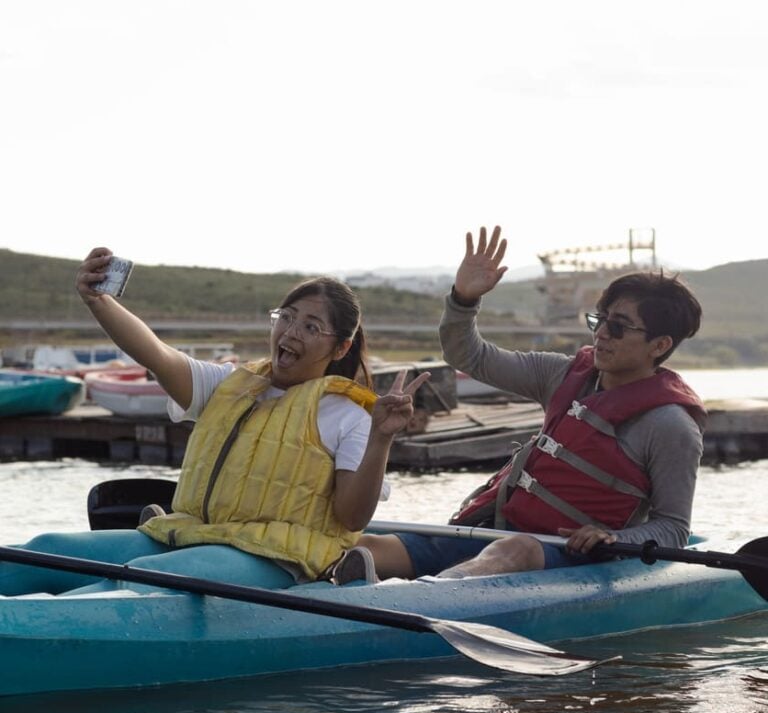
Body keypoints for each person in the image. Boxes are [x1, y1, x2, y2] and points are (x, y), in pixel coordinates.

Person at [0, 248, 428, 596]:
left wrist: (381, 439)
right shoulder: (227, 384)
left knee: (141, 579)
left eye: (311, 326)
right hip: (193, 534)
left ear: (341, 348)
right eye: (287, 317)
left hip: (276, 557)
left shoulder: (350, 415)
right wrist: (98, 300)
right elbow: (155, 353)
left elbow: (352, 518)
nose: (291, 331)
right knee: (47, 549)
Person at [333, 224, 706, 583]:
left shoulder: (671, 426)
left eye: (619, 327)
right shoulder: (561, 374)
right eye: (600, 320)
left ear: (659, 345)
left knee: (516, 550)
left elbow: (674, 528)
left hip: (569, 557)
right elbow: (469, 355)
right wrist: (464, 299)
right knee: (367, 546)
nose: (602, 334)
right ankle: (342, 582)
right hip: (493, 532)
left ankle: (422, 595)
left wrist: (614, 538)